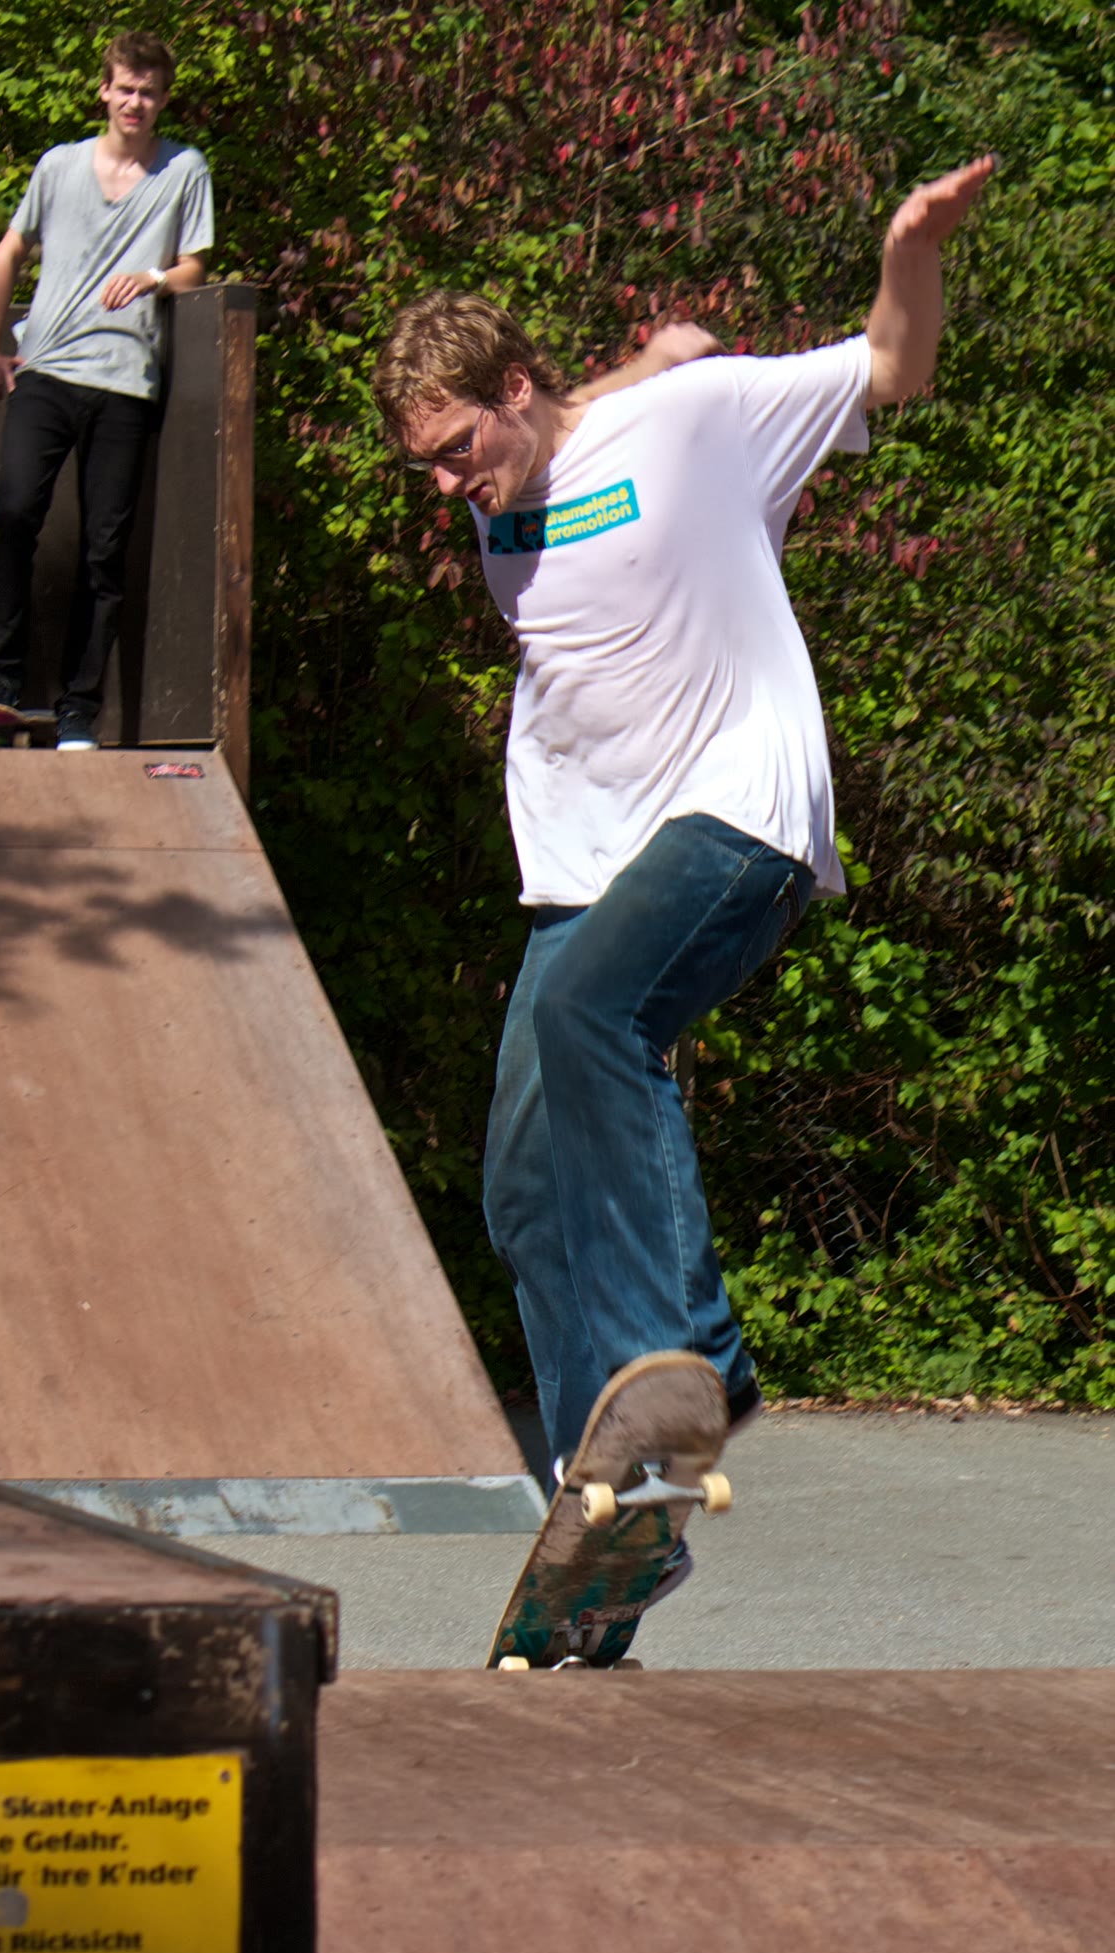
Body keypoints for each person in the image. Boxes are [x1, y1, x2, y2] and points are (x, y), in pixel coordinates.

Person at [374, 158, 995, 1525]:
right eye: (428, 467)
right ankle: (597, 1486)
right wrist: (645, 355)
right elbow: (591, 402)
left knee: (594, 1015)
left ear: (514, 389)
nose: (450, 485)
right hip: (584, 868)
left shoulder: (695, 422)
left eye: (457, 449)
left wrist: (911, 247)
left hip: (736, 813)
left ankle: (693, 1360)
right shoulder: (520, 468)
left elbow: (891, 368)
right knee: (522, 1190)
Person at [0, 31, 213, 750]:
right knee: (15, 514)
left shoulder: (183, 169)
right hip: (45, 370)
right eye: (125, 89)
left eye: (149, 92)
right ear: (104, 90)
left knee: (103, 550)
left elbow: (195, 267)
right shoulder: (60, 165)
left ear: (163, 100)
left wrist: (152, 278)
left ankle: (78, 710)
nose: (135, 102)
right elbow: (11, 250)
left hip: (125, 381)